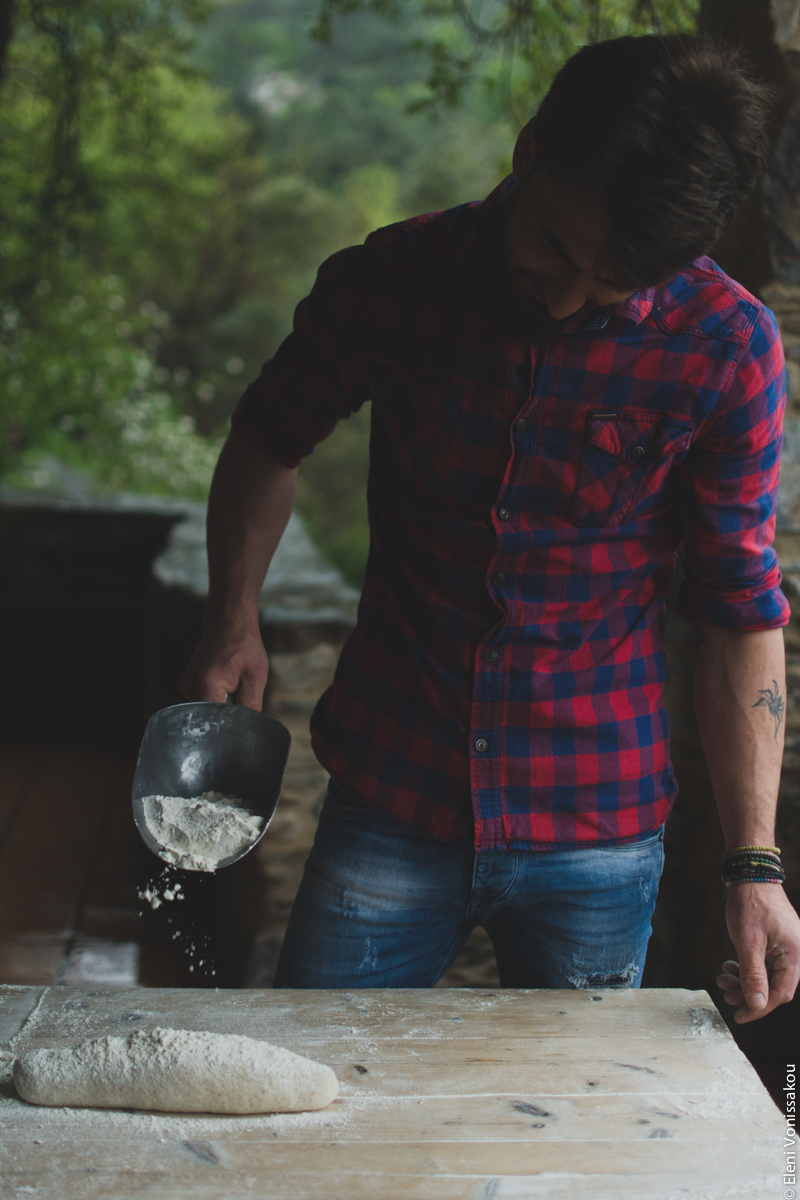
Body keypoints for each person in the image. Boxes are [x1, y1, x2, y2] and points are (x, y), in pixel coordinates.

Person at [182, 33, 800, 1021]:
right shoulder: (390, 280)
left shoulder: (725, 349)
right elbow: (266, 438)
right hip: (388, 800)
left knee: (570, 1149)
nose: (562, 298)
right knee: (309, 1103)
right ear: (527, 151)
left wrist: (752, 864)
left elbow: (737, 608)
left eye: (607, 288)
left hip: (599, 830)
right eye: (554, 248)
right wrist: (233, 616)